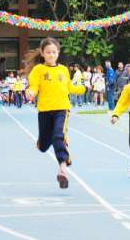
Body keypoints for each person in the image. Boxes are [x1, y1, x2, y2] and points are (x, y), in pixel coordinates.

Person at [25, 37, 86, 189]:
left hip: (62, 109)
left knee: (58, 135)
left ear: (58, 53)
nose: (51, 55)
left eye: (54, 52)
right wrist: (30, 93)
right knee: (44, 146)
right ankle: (44, 142)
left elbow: (69, 88)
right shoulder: (38, 70)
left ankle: (63, 168)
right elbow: (33, 86)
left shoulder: (63, 70)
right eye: (48, 52)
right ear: (42, 53)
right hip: (45, 110)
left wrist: (83, 88)